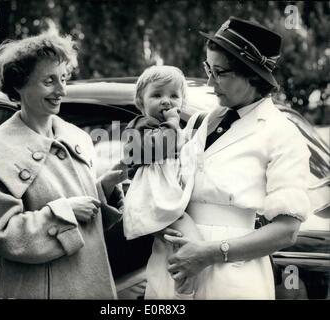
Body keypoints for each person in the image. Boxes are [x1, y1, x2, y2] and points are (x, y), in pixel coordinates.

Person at [0, 31, 125, 299]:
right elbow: (2, 234)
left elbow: (79, 206)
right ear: (19, 84)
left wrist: (104, 189)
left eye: (63, 78)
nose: (62, 90)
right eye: (49, 81)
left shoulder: (78, 138)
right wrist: (64, 212)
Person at [163, 17, 311, 299]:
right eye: (208, 68)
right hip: (173, 269)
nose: (209, 81)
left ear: (251, 75)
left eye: (220, 72)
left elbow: (286, 230)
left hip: (233, 278)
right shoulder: (197, 123)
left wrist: (209, 253)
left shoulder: (280, 133)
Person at [122, 66, 203, 299]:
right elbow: (156, 149)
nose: (166, 102)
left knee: (177, 244)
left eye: (173, 96)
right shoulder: (139, 126)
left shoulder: (178, 131)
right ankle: (184, 292)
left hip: (165, 197)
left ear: (182, 101)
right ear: (140, 101)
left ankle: (178, 287)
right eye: (157, 95)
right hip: (153, 199)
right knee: (192, 241)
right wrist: (172, 125)